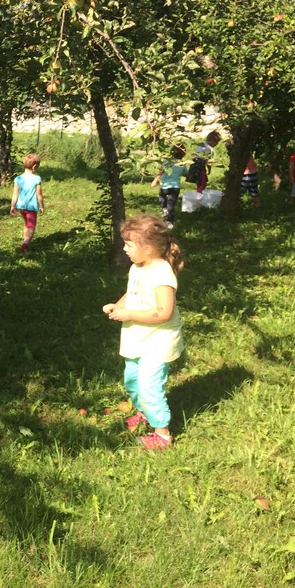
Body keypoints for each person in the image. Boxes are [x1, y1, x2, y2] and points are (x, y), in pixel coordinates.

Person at [102, 214, 184, 450]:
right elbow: (134, 292)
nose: (124, 248)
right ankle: (144, 413)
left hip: (157, 341)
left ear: (147, 248)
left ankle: (162, 435)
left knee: (149, 385)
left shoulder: (161, 274)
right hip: (138, 336)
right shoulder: (139, 267)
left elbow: (164, 311)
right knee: (133, 380)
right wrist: (119, 305)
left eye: (129, 244)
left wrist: (129, 315)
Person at [9, 152, 45, 252]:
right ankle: (26, 242)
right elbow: (39, 195)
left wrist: (12, 206)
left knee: (26, 224)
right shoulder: (37, 178)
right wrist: (41, 206)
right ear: (34, 166)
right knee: (31, 226)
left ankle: (25, 243)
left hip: (21, 207)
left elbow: (15, 194)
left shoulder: (18, 178)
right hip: (31, 207)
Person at [150, 144, 187, 229]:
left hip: (165, 186)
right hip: (175, 187)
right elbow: (185, 173)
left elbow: (161, 172)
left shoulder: (167, 162)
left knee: (161, 196)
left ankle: (164, 209)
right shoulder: (182, 164)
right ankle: (170, 221)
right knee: (171, 204)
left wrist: (155, 181)